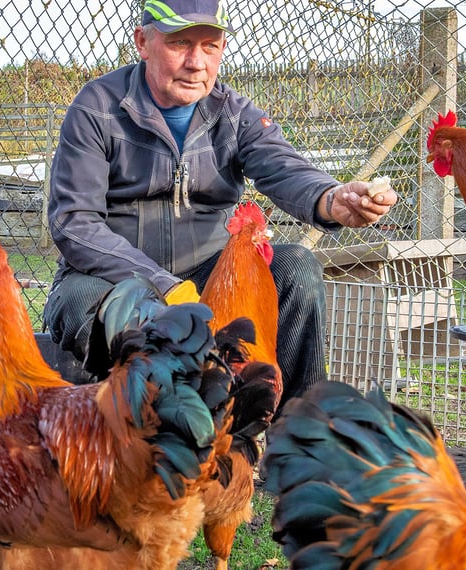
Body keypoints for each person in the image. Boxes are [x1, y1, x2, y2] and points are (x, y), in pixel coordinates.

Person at [42, 0, 398, 408]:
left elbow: (282, 166)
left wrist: (331, 198)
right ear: (143, 41)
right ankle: (126, 430)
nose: (196, 62)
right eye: (180, 44)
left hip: (212, 270)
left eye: (210, 46)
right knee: (79, 299)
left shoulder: (234, 114)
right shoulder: (98, 108)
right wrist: (163, 285)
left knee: (297, 266)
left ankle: (298, 434)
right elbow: (75, 223)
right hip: (117, 273)